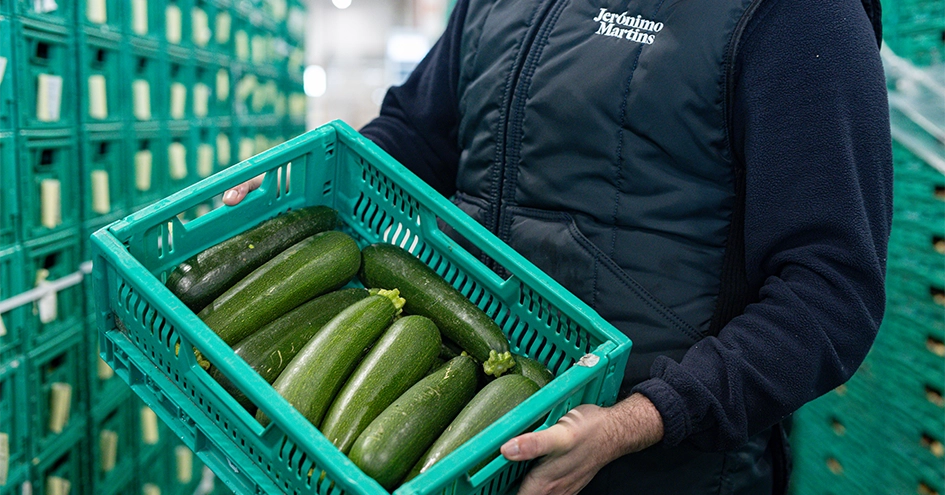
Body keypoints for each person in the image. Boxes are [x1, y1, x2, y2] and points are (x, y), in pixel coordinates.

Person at [223, 0, 892, 493]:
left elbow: (829, 293)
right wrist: (303, 184)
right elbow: (419, 129)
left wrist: (640, 417)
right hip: (464, 425)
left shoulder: (801, 16)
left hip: (658, 466)